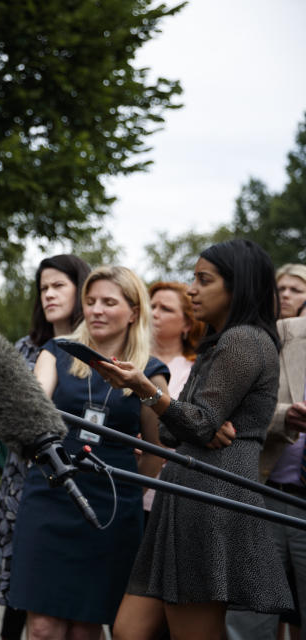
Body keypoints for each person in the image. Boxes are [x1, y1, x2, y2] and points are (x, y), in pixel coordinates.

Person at [101, 239, 292, 640]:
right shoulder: (218, 343)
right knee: (128, 630)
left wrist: (145, 390)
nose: (192, 290)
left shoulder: (244, 340)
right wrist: (189, 418)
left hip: (212, 494)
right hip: (188, 487)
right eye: (193, 279)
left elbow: (198, 424)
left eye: (204, 280)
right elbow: (176, 430)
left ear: (237, 286)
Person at [7, 265, 169, 640]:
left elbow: (155, 450)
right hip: (50, 494)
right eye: (91, 301)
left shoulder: (151, 371)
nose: (96, 309)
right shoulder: (56, 351)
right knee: (43, 628)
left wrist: (124, 487)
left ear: (133, 312)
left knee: (85, 628)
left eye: (108, 302)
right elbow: (32, 408)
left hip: (110, 506)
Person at [0, 254, 91, 640]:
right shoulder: (26, 348)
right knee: (23, 600)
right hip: (21, 479)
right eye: (43, 288)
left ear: (81, 289)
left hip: (74, 481)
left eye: (58, 286)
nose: (48, 294)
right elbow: (5, 419)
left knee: (75, 609)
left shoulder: (94, 350)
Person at [224, 314, 306, 640]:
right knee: (249, 619)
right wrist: (285, 416)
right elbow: (235, 408)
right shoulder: (283, 332)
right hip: (262, 494)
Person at [141, 282, 206, 524]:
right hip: (120, 482)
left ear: (188, 324)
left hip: (170, 494)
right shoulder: (127, 360)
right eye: (151, 306)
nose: (154, 313)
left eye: (165, 309)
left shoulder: (197, 371)